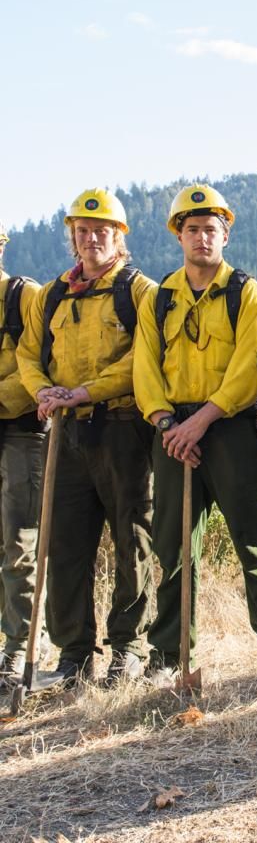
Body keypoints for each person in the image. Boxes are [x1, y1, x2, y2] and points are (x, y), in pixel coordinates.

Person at [133, 183, 257, 684]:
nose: (202, 238)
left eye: (211, 229)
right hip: (172, 435)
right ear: (179, 236)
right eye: (193, 229)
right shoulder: (159, 299)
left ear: (226, 234)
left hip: (233, 430)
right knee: (172, 548)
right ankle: (169, 657)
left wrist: (200, 421)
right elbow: (144, 370)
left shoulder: (247, 294)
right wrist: (165, 422)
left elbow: (252, 365)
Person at [17, 189, 155, 685]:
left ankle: (128, 648)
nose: (92, 238)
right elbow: (28, 356)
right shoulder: (51, 294)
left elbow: (142, 360)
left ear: (120, 237)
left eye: (102, 231)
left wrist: (84, 391)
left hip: (122, 429)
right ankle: (73, 654)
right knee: (66, 545)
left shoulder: (139, 291)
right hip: (66, 433)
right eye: (83, 230)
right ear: (73, 237)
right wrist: (44, 391)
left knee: (131, 538)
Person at [0, 220, 45, 687]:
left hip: (21, 430)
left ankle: (20, 647)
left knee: (18, 544)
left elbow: (36, 361)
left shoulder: (23, 295)